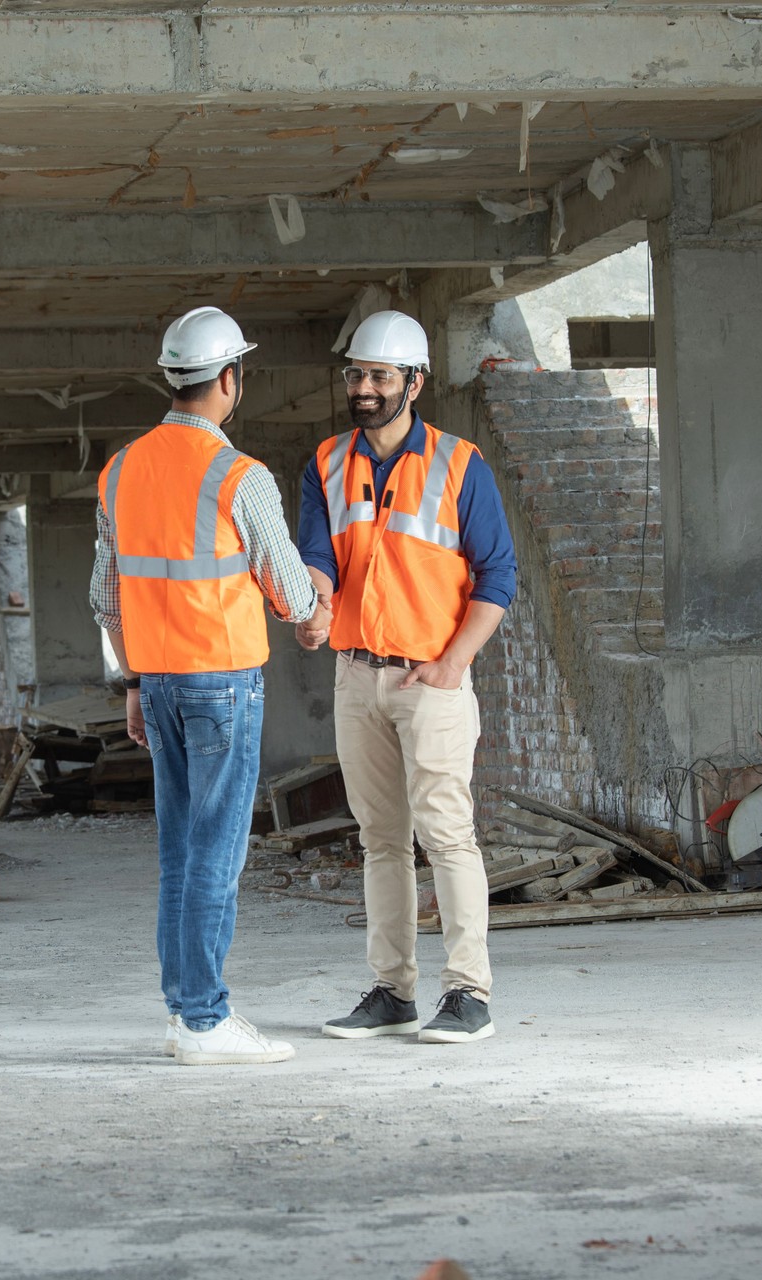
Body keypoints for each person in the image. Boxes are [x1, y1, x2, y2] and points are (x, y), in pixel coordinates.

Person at [91, 305, 329, 1067]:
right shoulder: (239, 475)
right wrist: (314, 607)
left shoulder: (121, 470)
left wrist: (132, 681)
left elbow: (107, 596)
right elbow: (290, 593)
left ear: (172, 380)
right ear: (229, 380)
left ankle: (182, 1010)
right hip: (221, 683)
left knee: (180, 853)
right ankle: (204, 1020)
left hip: (156, 682)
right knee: (217, 854)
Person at [295, 309, 516, 1045]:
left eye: (379, 376)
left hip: (432, 681)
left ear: (413, 383)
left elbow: (498, 575)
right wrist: (316, 601)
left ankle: (469, 992)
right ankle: (392, 991)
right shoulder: (326, 462)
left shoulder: (460, 464)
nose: (363, 388)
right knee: (380, 840)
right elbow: (317, 555)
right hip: (357, 678)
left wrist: (453, 664)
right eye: (356, 374)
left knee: (448, 836)